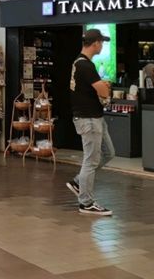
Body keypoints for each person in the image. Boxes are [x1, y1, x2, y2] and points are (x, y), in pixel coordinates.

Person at [66, 28, 115, 217]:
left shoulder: (81, 63)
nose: (102, 45)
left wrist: (101, 86)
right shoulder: (85, 65)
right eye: (101, 42)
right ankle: (86, 203)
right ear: (95, 43)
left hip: (95, 118)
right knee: (91, 160)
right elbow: (103, 91)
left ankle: (79, 182)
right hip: (89, 119)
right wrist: (104, 88)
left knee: (108, 153)